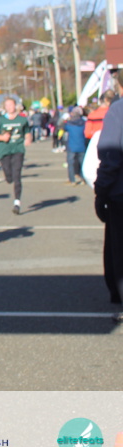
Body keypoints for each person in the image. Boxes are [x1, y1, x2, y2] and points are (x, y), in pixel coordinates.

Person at [96, 75, 123, 307]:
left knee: (119, 251)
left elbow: (111, 155)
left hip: (120, 193)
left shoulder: (117, 111)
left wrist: (101, 191)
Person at [0, 97, 32, 215]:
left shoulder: (22, 120)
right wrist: (2, 137)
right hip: (4, 150)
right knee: (9, 177)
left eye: (12, 105)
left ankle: (17, 203)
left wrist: (28, 139)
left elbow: (27, 132)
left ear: (15, 106)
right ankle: (8, 177)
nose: (10, 107)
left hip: (18, 149)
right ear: (5, 107)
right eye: (8, 105)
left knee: (17, 175)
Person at [63, 106, 88, 185]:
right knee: (82, 163)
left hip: (71, 146)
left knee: (70, 163)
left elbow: (62, 127)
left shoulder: (69, 124)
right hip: (82, 145)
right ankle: (83, 178)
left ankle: (72, 180)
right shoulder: (84, 123)